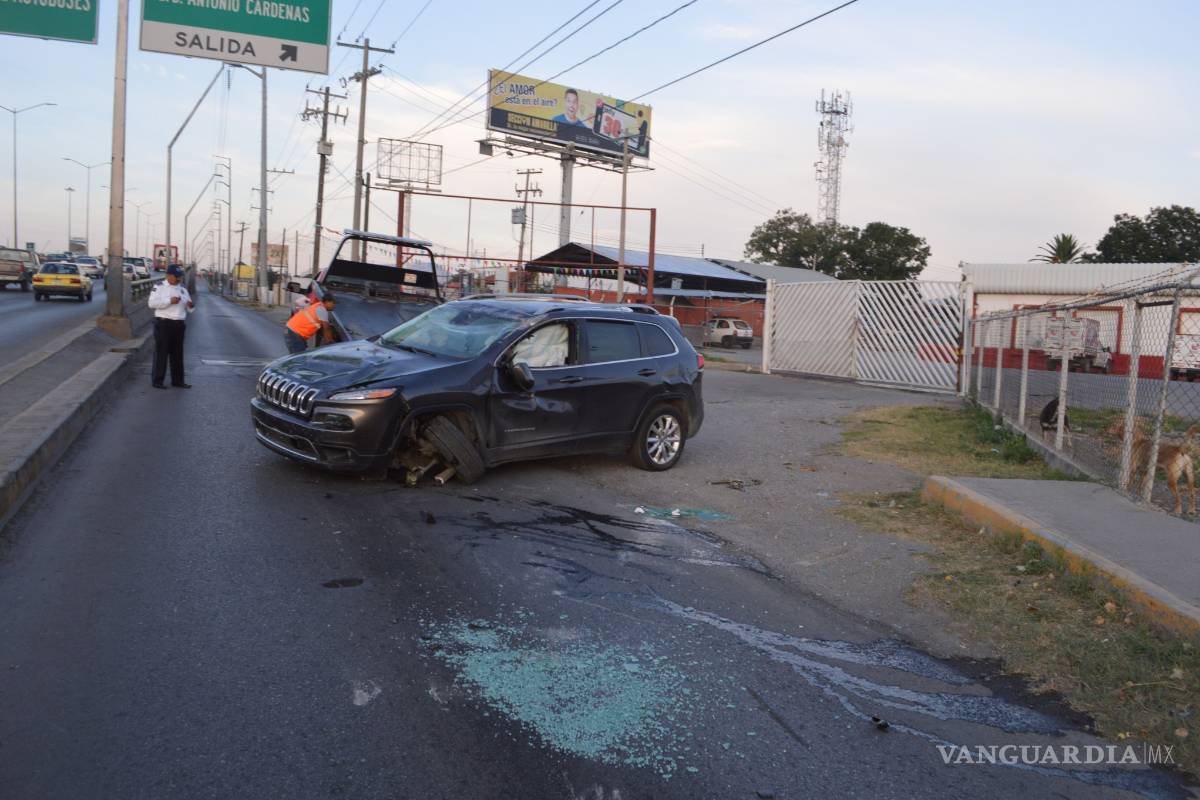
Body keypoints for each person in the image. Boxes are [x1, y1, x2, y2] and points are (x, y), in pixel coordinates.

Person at [148, 264, 194, 389]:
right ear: (168, 275)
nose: (178, 279)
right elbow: (151, 303)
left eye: (180, 276)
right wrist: (169, 301)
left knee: (177, 354)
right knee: (161, 353)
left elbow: (190, 309)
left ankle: (178, 381)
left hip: (179, 324)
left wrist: (190, 306)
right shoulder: (159, 287)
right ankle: (158, 381)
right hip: (164, 324)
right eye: (176, 276)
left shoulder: (183, 289)